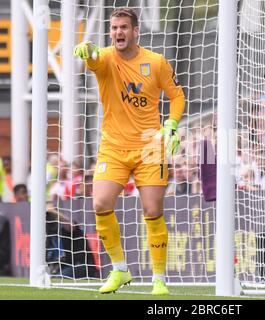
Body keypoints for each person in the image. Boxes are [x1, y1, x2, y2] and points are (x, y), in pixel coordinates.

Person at [73, 7, 185, 294]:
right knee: (100, 203)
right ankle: (120, 270)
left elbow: (176, 96)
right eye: (114, 28)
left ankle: (159, 278)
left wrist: (171, 124)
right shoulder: (106, 58)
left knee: (152, 209)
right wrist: (87, 50)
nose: (118, 33)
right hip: (113, 146)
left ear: (136, 31)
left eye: (123, 27)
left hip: (150, 145)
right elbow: (94, 59)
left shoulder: (156, 62)